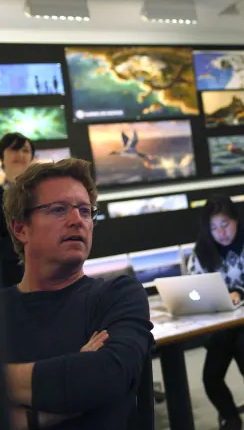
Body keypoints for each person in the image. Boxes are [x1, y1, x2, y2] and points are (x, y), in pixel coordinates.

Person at [0, 158, 153, 430]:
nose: (77, 221)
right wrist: (64, 393)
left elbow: (107, 376)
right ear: (20, 228)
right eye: (59, 209)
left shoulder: (117, 295)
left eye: (85, 211)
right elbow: (86, 385)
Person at [187, 195, 244, 430]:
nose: (221, 232)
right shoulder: (203, 250)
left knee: (243, 346)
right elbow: (196, 286)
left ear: (236, 220)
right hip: (225, 320)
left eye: (225, 224)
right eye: (214, 227)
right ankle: (231, 417)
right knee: (210, 377)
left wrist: (238, 292)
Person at [0, 133, 35, 289]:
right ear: (1, 157)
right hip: (8, 281)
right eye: (14, 149)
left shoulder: (45, 195)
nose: (20, 154)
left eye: (25, 150)